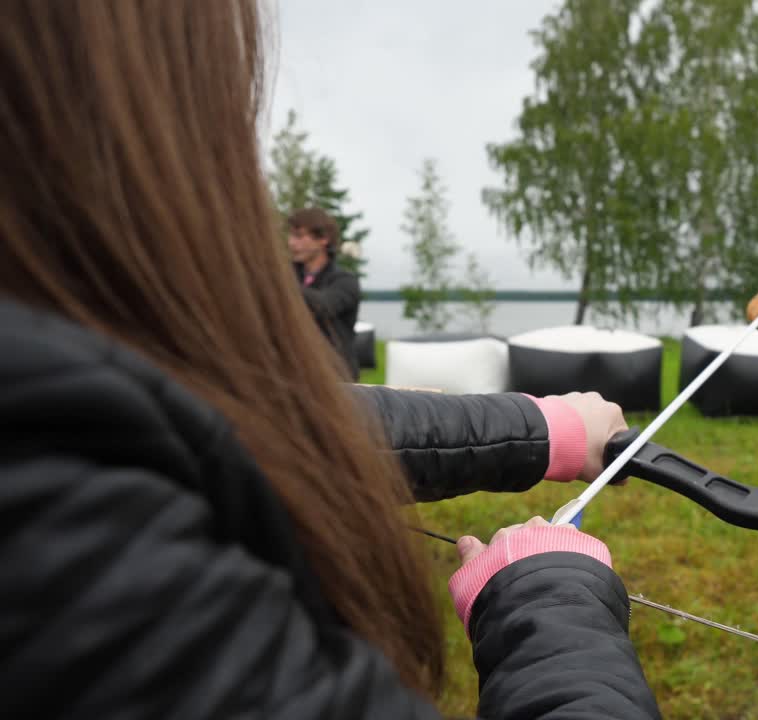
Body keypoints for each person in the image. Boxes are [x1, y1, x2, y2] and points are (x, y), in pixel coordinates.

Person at [0, 2, 660, 719]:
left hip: (320, 377)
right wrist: (553, 604)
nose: (283, 237)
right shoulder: (59, 499)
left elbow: (238, 414)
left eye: (300, 236)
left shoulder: (329, 288)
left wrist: (536, 428)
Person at [288, 207, 362, 380]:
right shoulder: (288, 275)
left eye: (298, 236)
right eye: (291, 236)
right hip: (292, 375)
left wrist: (278, 283)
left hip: (335, 379)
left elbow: (324, 306)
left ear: (323, 239)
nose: (291, 242)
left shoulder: (346, 281)